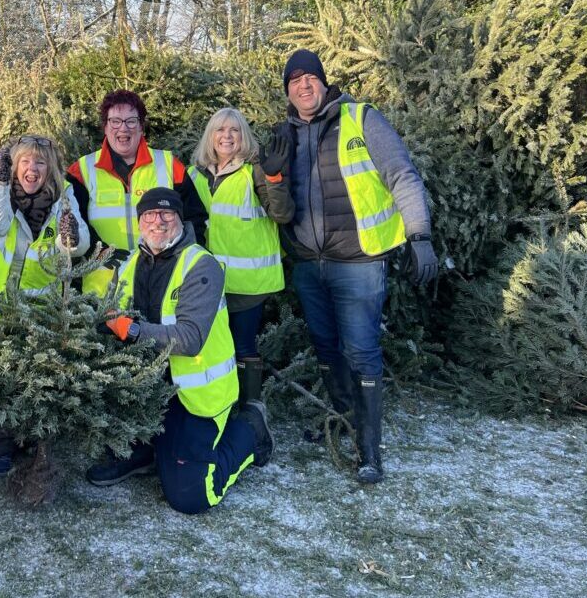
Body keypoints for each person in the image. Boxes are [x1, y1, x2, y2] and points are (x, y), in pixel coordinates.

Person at [279, 48, 438, 484]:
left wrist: (419, 235)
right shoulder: (284, 135)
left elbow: (402, 175)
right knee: (326, 349)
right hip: (309, 265)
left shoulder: (361, 118)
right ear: (288, 91)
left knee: (362, 351)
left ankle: (370, 451)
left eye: (310, 77)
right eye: (294, 81)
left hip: (359, 262)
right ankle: (343, 420)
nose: (303, 85)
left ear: (324, 81)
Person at [88, 187, 273, 514]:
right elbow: (111, 311)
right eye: (149, 215)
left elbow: (189, 339)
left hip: (196, 396)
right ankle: (144, 451)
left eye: (166, 214)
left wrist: (131, 330)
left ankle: (249, 428)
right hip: (150, 391)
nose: (157, 221)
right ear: (140, 221)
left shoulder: (201, 266)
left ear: (179, 218)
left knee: (191, 497)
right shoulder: (132, 261)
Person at [0, 134, 90, 475]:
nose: (32, 168)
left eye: (40, 162)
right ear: (14, 166)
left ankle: (33, 440)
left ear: (50, 167)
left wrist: (73, 236)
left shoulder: (64, 197)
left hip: (41, 309)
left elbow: (79, 243)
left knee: (36, 379)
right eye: (25, 161)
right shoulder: (0, 193)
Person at [190, 107, 293, 404]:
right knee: (213, 350)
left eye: (234, 130)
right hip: (207, 285)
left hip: (248, 285)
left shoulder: (255, 170)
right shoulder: (193, 175)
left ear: (243, 136)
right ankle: (220, 407)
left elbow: (283, 214)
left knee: (243, 348)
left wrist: (274, 178)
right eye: (220, 130)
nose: (227, 136)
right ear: (210, 136)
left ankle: (249, 411)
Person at [67, 90, 206, 296]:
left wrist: (178, 259)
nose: (123, 128)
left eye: (131, 121)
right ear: (105, 127)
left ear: (141, 126)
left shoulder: (169, 165)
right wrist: (98, 252)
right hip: (102, 290)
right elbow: (71, 224)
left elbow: (195, 221)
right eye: (115, 121)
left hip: (161, 285)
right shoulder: (82, 171)